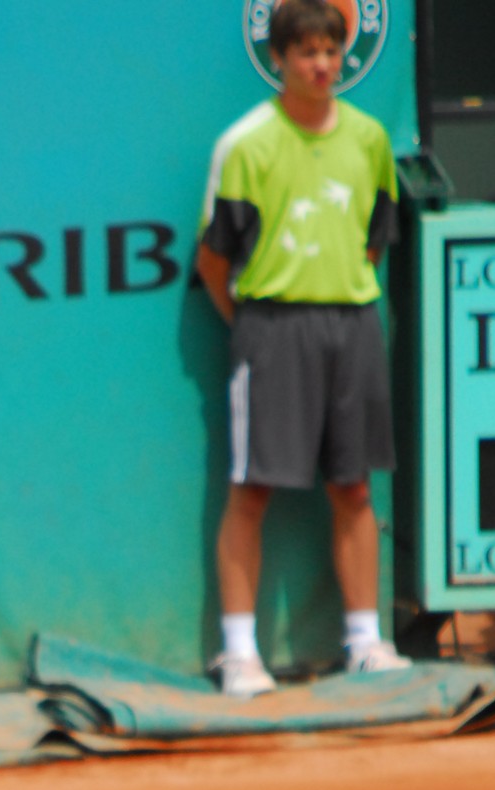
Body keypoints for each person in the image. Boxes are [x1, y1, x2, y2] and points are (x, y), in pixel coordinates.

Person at [196, 0, 411, 696]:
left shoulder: (371, 139)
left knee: (353, 486)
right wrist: (256, 328)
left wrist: (338, 290)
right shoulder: (247, 144)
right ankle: (239, 654)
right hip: (271, 330)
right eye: (308, 53)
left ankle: (365, 641)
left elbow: (376, 237)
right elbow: (213, 262)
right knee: (252, 489)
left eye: (332, 51)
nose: (323, 65)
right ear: (280, 60)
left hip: (352, 325)